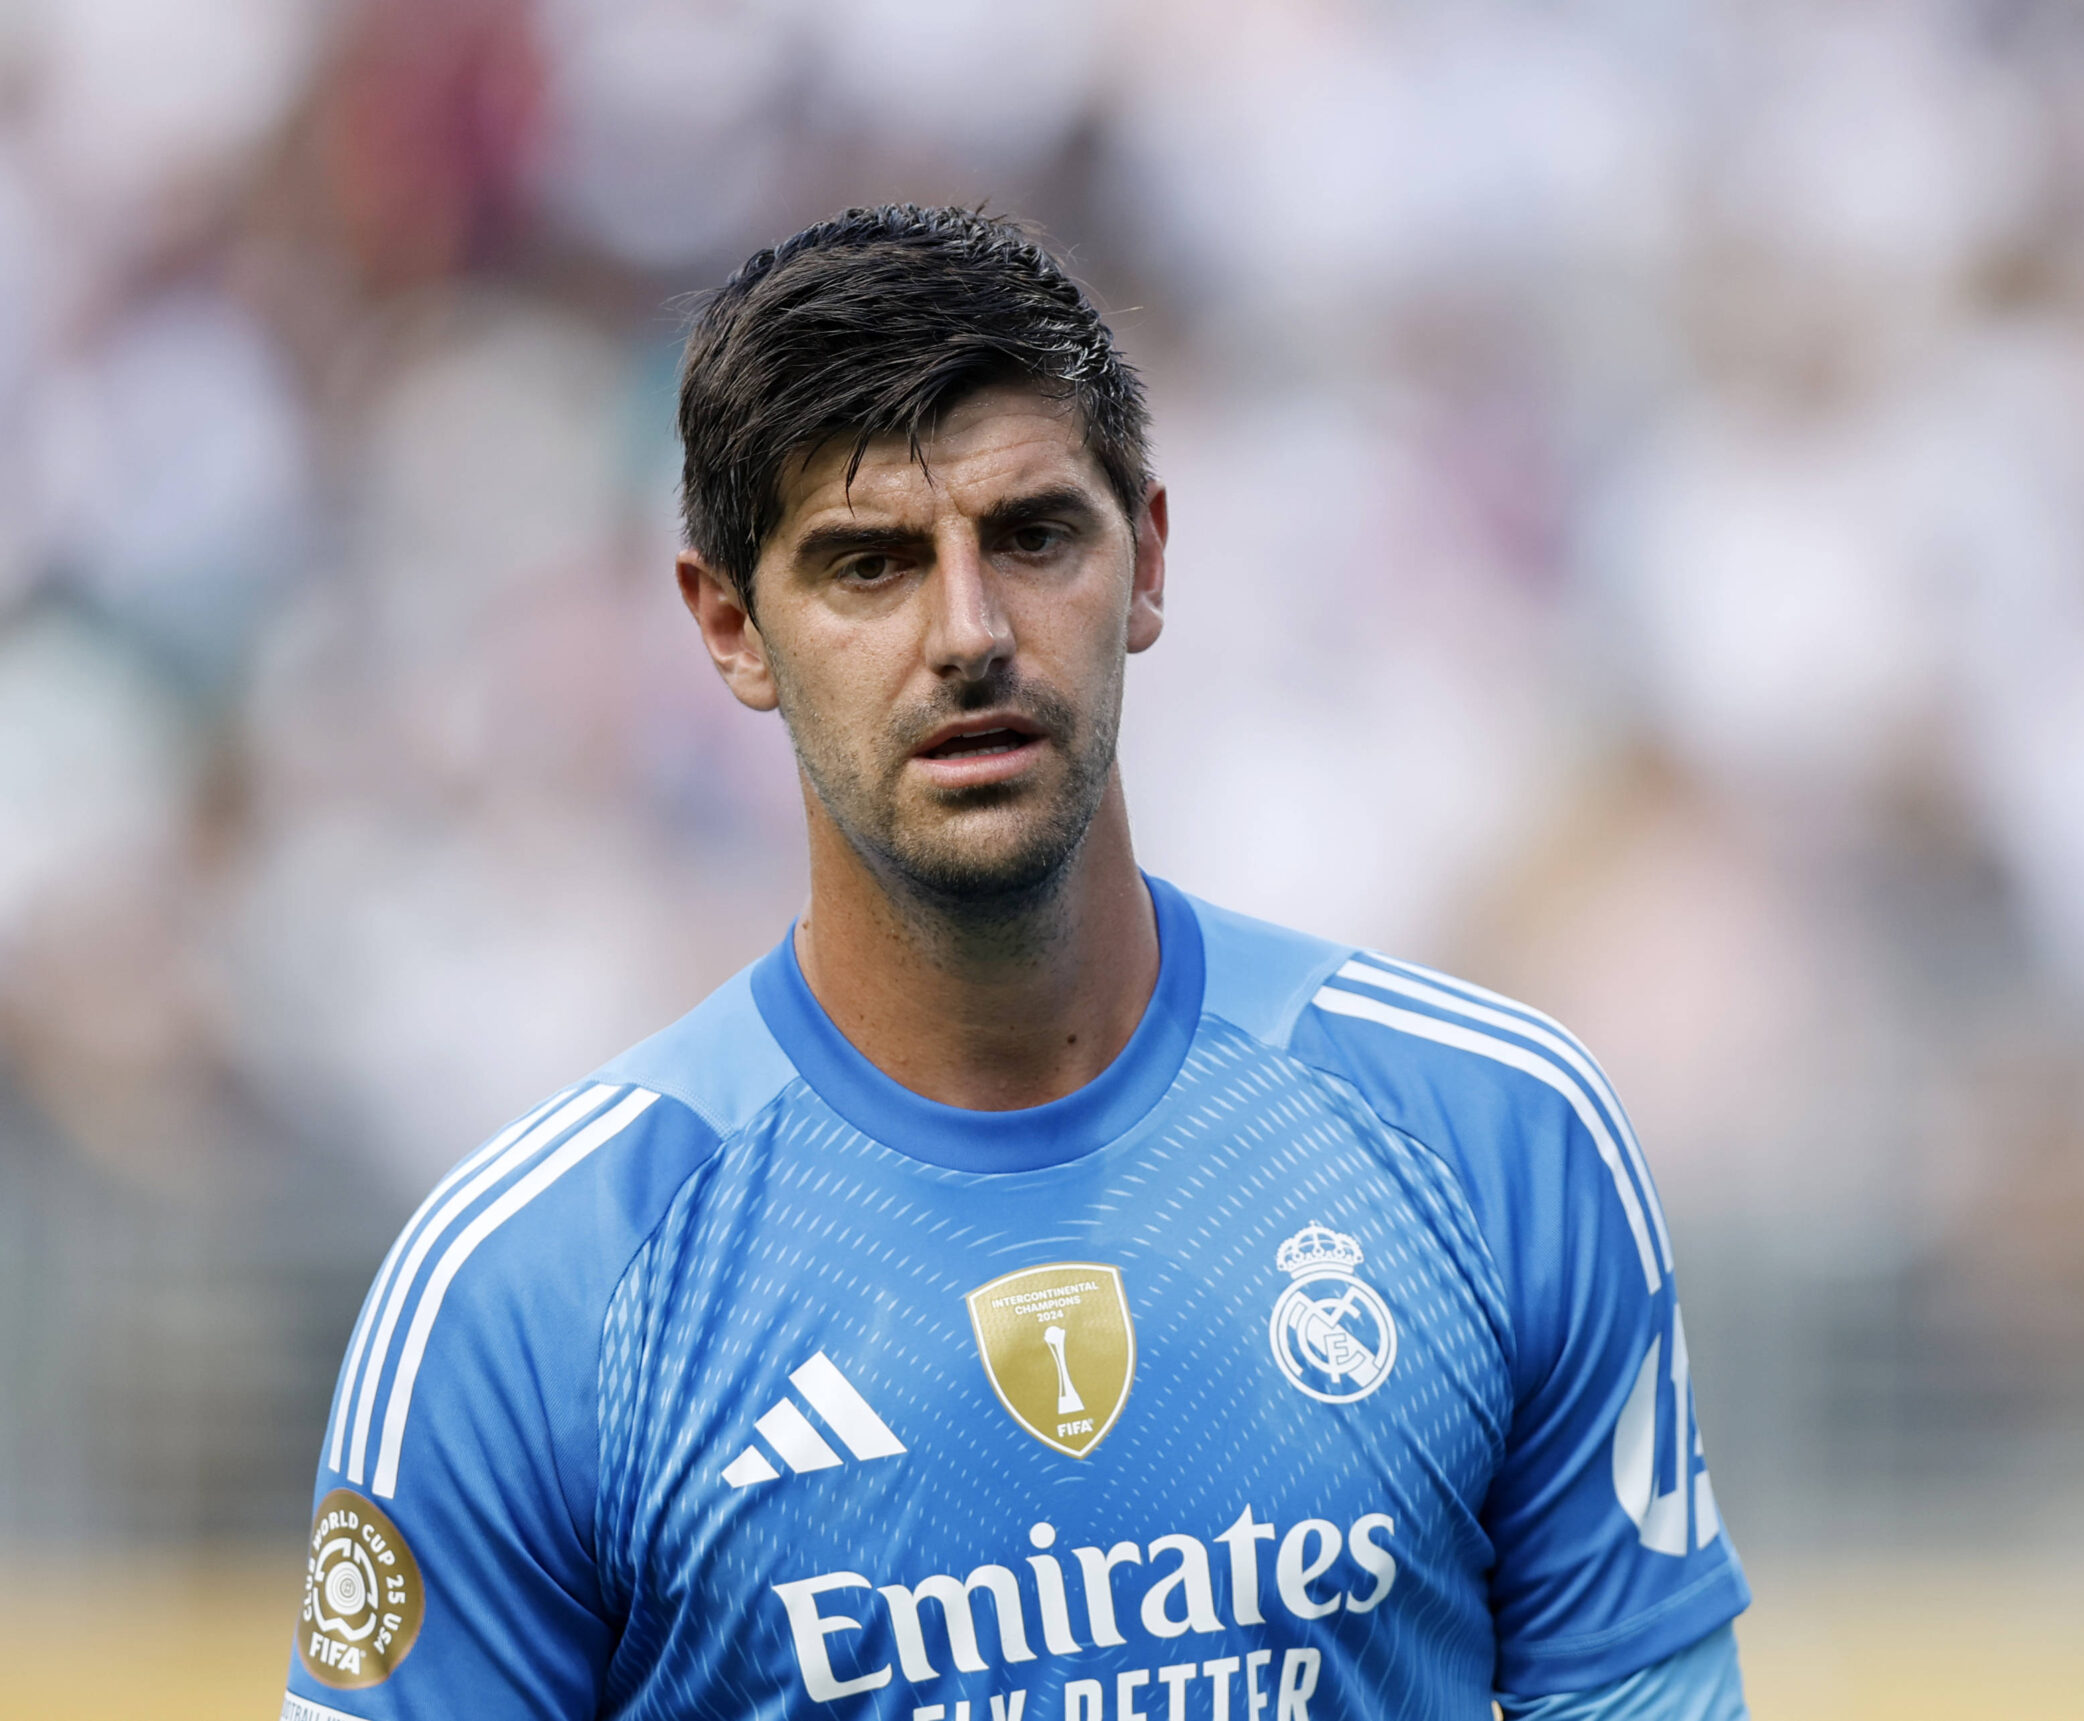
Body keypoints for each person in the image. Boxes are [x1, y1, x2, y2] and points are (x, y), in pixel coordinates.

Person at [281, 205, 1750, 1721]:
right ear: (729, 624)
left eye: (1034, 535)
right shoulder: (536, 1288)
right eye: (871, 564)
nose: (970, 630)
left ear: (1151, 558)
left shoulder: (1491, 1134)